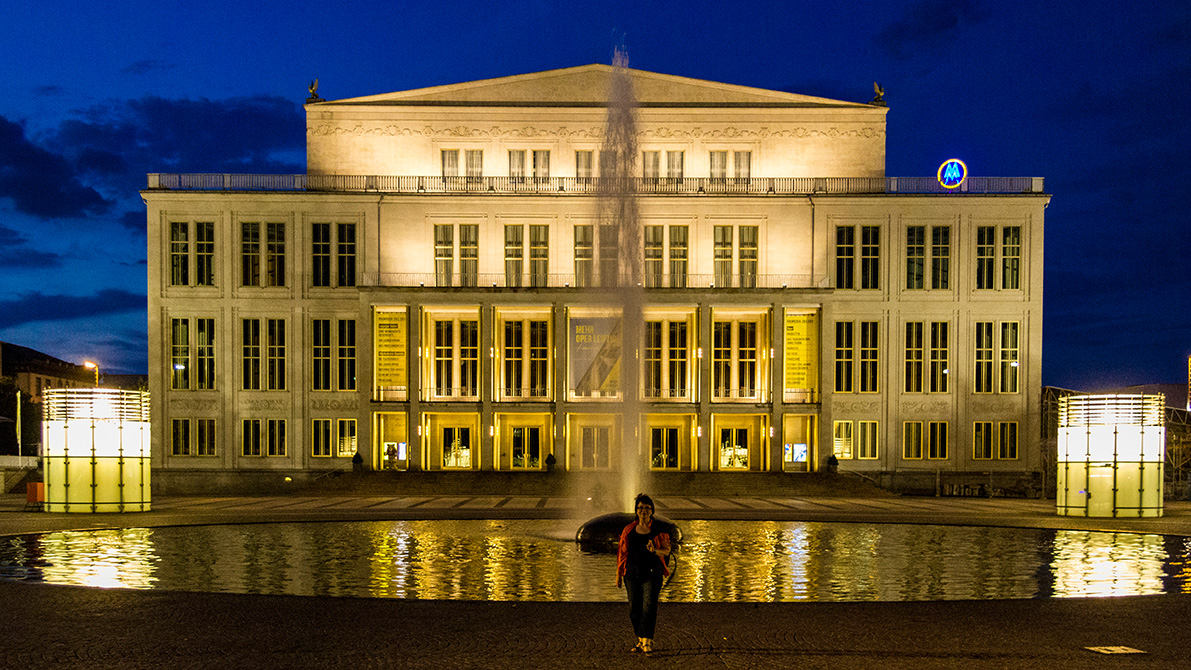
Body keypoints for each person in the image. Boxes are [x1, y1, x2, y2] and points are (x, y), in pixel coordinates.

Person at [615, 492, 671, 654]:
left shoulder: (659, 529)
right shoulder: (629, 530)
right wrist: (619, 575)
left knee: (649, 607)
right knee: (634, 609)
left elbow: (666, 551)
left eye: (647, 508)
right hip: (631, 574)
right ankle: (641, 640)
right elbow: (622, 553)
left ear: (652, 511)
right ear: (636, 510)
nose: (643, 511)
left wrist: (655, 551)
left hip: (653, 573)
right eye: (640, 508)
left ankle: (647, 642)